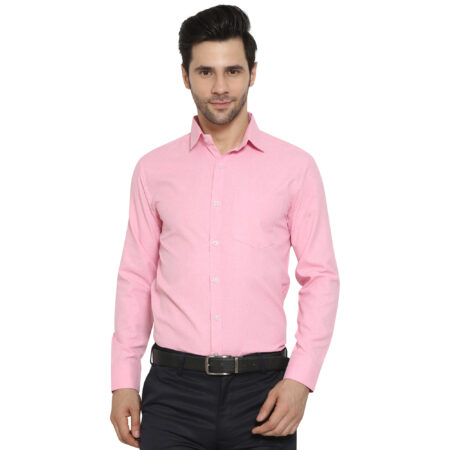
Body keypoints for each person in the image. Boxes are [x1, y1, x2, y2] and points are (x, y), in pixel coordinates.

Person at [110, 4, 340, 449]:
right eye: (205, 72)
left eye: (233, 71)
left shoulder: (295, 168)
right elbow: (135, 277)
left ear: (253, 73)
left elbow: (321, 277)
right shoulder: (153, 170)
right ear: (185, 76)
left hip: (264, 393)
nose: (220, 87)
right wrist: (123, 378)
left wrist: (301, 379)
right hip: (172, 392)